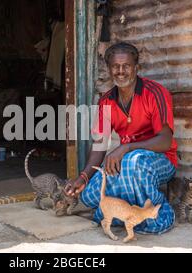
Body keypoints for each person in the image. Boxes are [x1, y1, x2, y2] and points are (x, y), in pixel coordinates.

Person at [65, 42, 178, 234]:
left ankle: (160, 215)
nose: (120, 71)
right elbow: (100, 145)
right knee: (91, 195)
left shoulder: (155, 93)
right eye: (115, 66)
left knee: (132, 162)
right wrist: (83, 177)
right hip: (127, 162)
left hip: (161, 160)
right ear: (109, 69)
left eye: (126, 66)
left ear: (136, 67)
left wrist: (126, 148)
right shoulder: (106, 101)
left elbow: (165, 141)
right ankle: (128, 213)